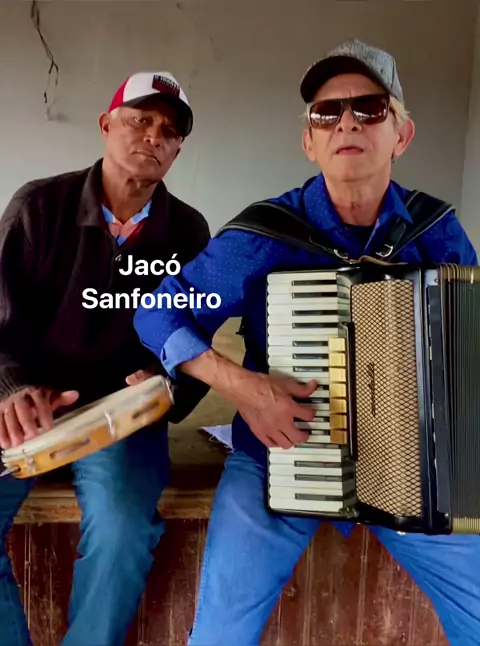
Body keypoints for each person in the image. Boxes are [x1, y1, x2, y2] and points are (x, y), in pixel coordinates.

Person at [134, 40, 480, 646]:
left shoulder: (437, 231)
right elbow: (157, 310)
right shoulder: (267, 234)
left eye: (370, 108)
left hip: (411, 476)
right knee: (219, 635)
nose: (347, 122)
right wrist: (242, 387)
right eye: (327, 113)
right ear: (309, 141)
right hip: (275, 464)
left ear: (401, 134)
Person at [0, 71, 210, 646]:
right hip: (28, 412)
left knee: (122, 530)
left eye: (169, 130)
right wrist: (12, 388)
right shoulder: (38, 207)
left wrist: (164, 387)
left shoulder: (188, 232)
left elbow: (196, 343)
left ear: (178, 149)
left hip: (121, 419)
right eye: (139, 120)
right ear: (106, 125)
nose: (153, 136)